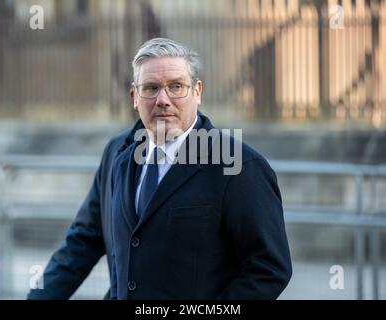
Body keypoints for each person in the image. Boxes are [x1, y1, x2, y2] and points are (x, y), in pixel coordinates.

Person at [27, 38, 292, 300]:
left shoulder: (239, 166)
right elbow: (83, 241)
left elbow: (269, 269)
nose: (163, 99)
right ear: (134, 96)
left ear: (197, 92)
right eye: (151, 88)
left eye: (176, 87)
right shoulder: (116, 152)